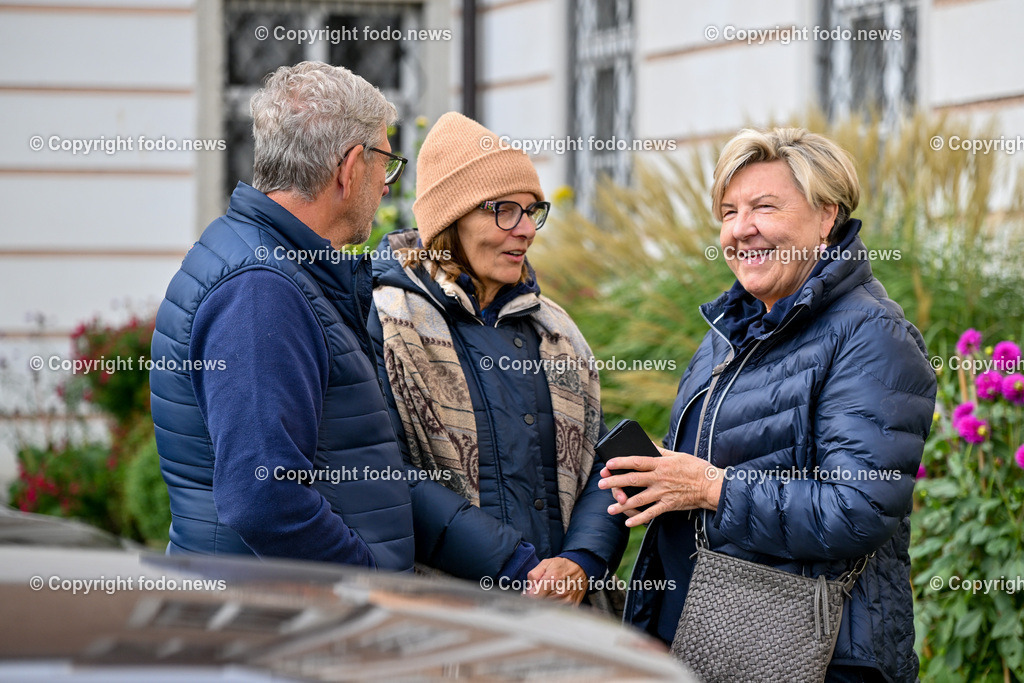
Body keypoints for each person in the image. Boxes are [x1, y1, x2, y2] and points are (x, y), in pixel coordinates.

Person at [600, 128, 936, 681]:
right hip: (712, 638)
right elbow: (735, 456)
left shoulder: (872, 335)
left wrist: (710, 486)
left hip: (819, 656)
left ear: (826, 216)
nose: (740, 229)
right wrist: (664, 468)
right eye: (729, 211)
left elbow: (858, 509)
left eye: (764, 206)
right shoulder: (737, 326)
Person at [150, 61, 415, 570]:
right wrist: (367, 590)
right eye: (387, 161)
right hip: (273, 632)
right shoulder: (259, 290)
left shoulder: (265, 263)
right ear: (350, 166)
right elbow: (264, 501)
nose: (388, 185)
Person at [368, 112, 628, 603]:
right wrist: (514, 566)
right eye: (504, 210)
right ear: (450, 221)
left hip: (563, 624)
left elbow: (602, 461)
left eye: (532, 211)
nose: (526, 230)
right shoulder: (387, 322)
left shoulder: (557, 331)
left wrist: (581, 561)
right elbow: (383, 472)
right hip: (447, 626)